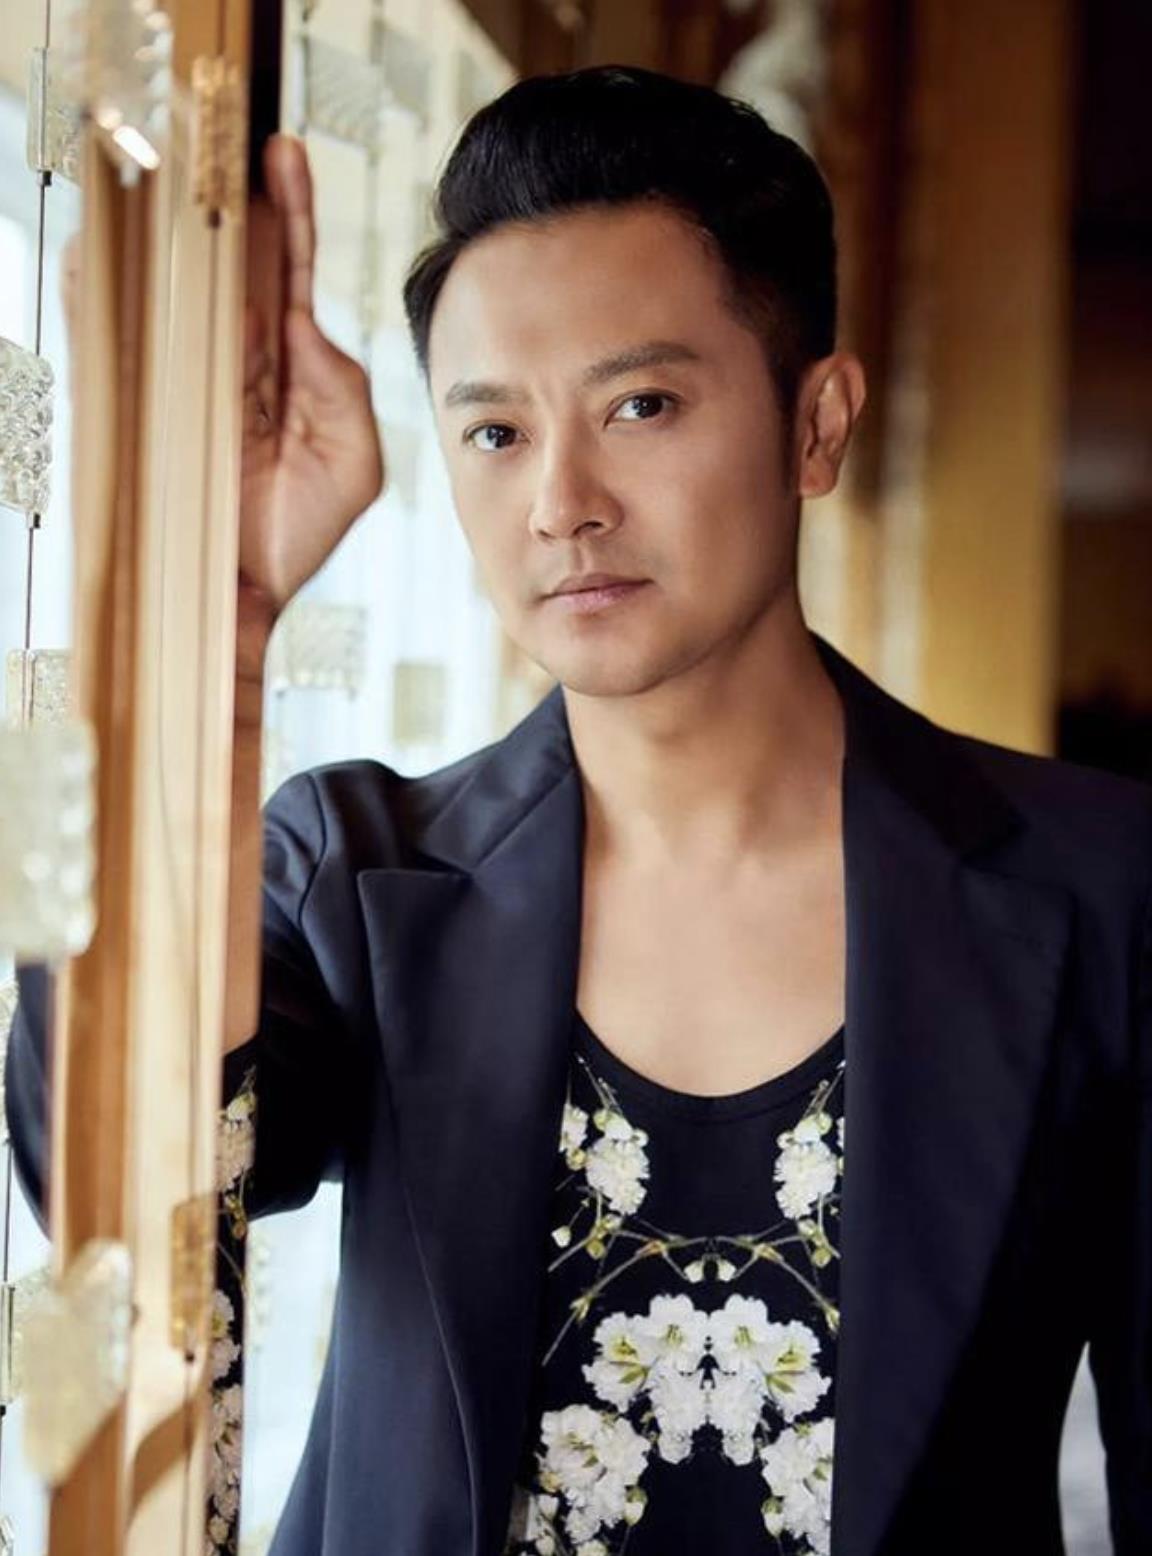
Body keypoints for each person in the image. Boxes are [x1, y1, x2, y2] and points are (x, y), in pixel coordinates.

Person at [7, 63, 1152, 1556]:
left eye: (642, 405)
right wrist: (211, 634)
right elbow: (120, 1185)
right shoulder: (352, 874)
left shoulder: (1100, 888)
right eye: (494, 432)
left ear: (817, 423)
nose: (561, 502)